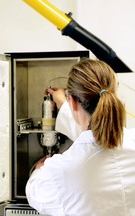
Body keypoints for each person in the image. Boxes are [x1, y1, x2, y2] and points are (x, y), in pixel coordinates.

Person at [25, 58, 135, 216]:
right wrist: (65, 105)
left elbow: (35, 193)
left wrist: (38, 170)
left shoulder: (61, 171)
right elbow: (96, 140)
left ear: (73, 102)